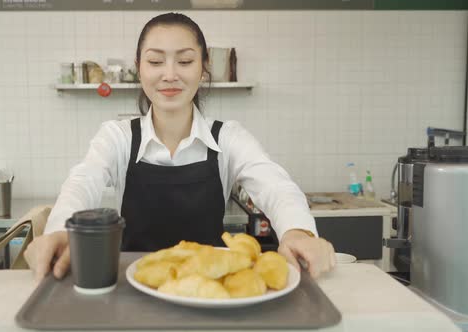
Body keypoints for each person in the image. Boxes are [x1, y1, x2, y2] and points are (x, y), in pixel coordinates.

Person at [25, 12, 335, 282]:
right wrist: (60, 231)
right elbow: (82, 182)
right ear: (140, 68)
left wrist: (298, 232)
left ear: (203, 68)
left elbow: (277, 187)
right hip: (133, 290)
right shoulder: (117, 137)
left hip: (210, 291)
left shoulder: (228, 137)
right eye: (156, 61)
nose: (170, 74)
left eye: (185, 61)